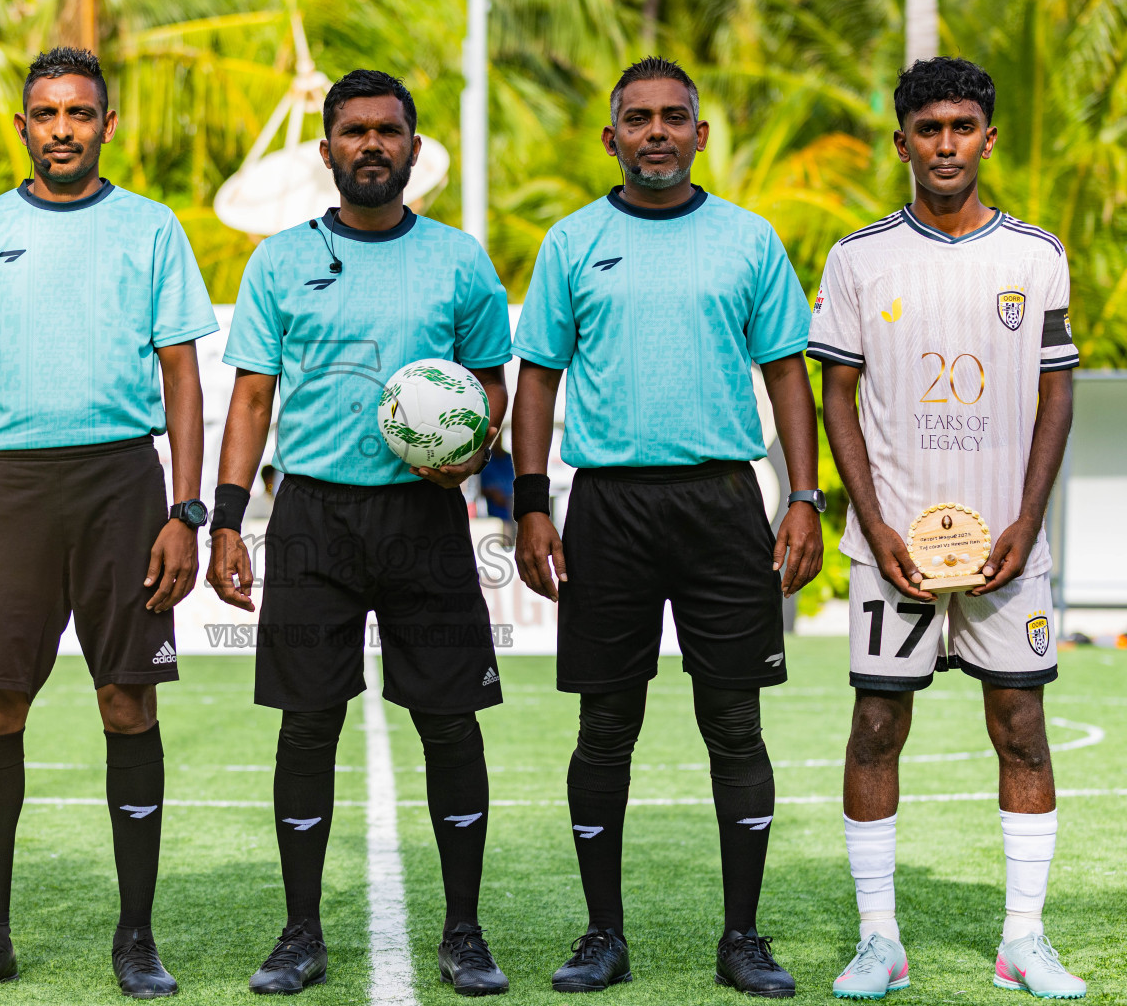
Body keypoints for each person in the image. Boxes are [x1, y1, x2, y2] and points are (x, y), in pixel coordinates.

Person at [511, 55, 824, 998]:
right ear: (612, 137)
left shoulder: (747, 240)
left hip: (724, 503)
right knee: (607, 725)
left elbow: (786, 374)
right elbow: (537, 377)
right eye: (638, 118)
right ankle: (602, 934)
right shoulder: (572, 242)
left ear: (699, 134)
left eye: (673, 117)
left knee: (734, 720)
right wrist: (532, 501)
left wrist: (803, 496)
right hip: (607, 506)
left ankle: (743, 938)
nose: (656, 131)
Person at [0, 47, 216, 998]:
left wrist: (186, 509)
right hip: (6, 490)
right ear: (24, 126)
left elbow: (183, 378)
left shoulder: (151, 228)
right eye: (46, 113)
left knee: (127, 700)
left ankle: (136, 940)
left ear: (107, 125)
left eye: (80, 113)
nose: (63, 129)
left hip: (125, 483)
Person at [207, 69, 513, 996]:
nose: (371, 145)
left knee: (450, 724)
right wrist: (226, 520)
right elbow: (251, 395)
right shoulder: (276, 261)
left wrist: (468, 450)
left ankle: (464, 932)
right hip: (312, 517)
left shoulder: (459, 260)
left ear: (414, 150)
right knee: (307, 728)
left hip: (425, 516)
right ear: (327, 149)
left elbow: (491, 383)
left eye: (388, 131)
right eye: (354, 131)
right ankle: (300, 932)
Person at [811, 57, 1085, 1000]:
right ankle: (878, 939)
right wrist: (874, 522)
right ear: (901, 143)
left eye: (962, 127)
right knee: (877, 725)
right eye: (927, 129)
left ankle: (1024, 940)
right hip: (894, 551)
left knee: (1022, 728)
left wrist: (1026, 517)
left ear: (988, 138)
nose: (945, 145)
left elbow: (1058, 393)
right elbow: (834, 394)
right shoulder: (857, 258)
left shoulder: (1036, 255)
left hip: (1011, 547)